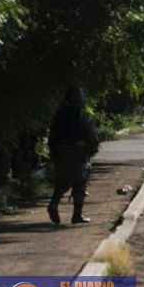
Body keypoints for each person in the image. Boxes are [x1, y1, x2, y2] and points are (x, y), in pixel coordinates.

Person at [47, 87, 99, 225]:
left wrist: (53, 153)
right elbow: (91, 135)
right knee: (79, 184)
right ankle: (77, 215)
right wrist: (92, 149)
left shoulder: (59, 115)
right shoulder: (82, 115)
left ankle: (53, 204)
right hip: (77, 153)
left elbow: (52, 136)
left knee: (62, 181)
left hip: (60, 152)